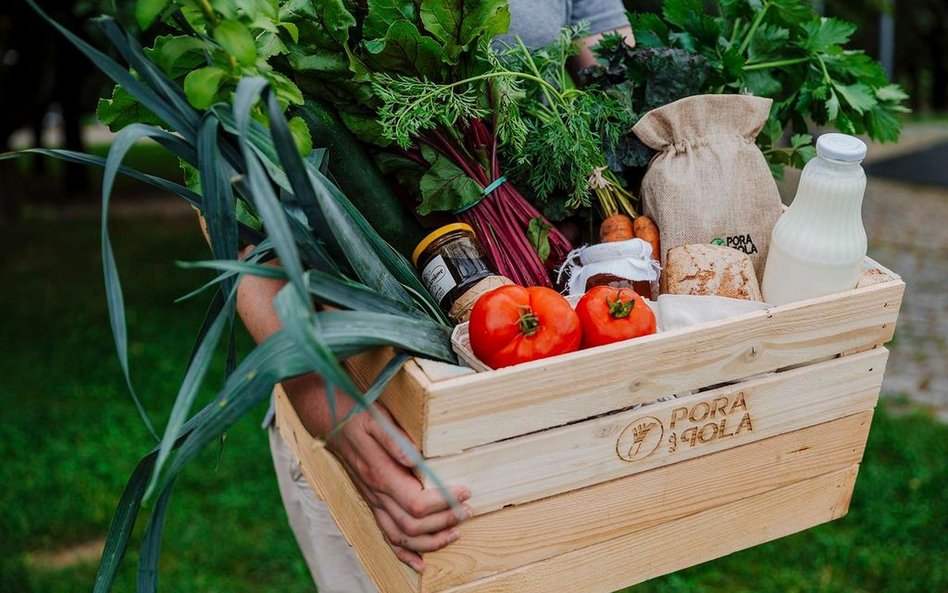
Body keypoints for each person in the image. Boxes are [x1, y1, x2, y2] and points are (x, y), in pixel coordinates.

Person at [238, 2, 635, 591]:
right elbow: (254, 241)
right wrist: (338, 418)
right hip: (377, 393)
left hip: (566, 384)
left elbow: (621, 81)